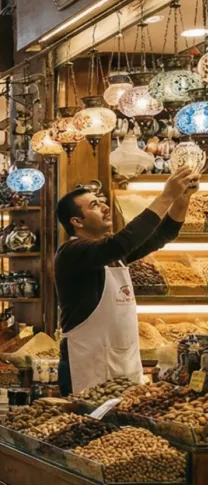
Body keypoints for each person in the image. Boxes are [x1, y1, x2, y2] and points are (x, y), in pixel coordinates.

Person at [54, 168, 196, 394]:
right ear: (76, 222)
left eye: (101, 201)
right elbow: (120, 243)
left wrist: (182, 198)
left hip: (124, 365)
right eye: (94, 205)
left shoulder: (114, 255)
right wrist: (166, 196)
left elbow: (163, 234)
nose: (105, 206)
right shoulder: (72, 252)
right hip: (87, 366)